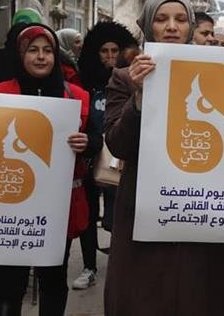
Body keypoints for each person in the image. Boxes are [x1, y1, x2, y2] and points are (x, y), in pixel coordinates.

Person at [103, 0, 224, 316]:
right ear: (147, 25)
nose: (171, 26)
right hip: (146, 213)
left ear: (191, 26)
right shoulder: (125, 78)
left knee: (197, 296)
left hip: (201, 211)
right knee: (142, 300)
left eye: (180, 19)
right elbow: (118, 144)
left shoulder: (215, 74)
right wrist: (139, 98)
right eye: (161, 19)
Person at [0, 23, 100, 316]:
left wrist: (87, 143)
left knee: (52, 279)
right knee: (9, 284)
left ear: (56, 56)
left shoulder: (77, 96)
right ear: (20, 55)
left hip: (58, 208)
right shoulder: (1, 93)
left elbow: (97, 140)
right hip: (11, 204)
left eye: (47, 51)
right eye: (33, 50)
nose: (41, 57)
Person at [71, 21, 138, 289]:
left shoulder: (131, 80)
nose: (110, 56)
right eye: (104, 51)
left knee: (116, 216)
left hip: (120, 156)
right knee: (88, 215)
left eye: (115, 50)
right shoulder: (84, 83)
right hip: (89, 157)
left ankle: (121, 261)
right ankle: (89, 266)